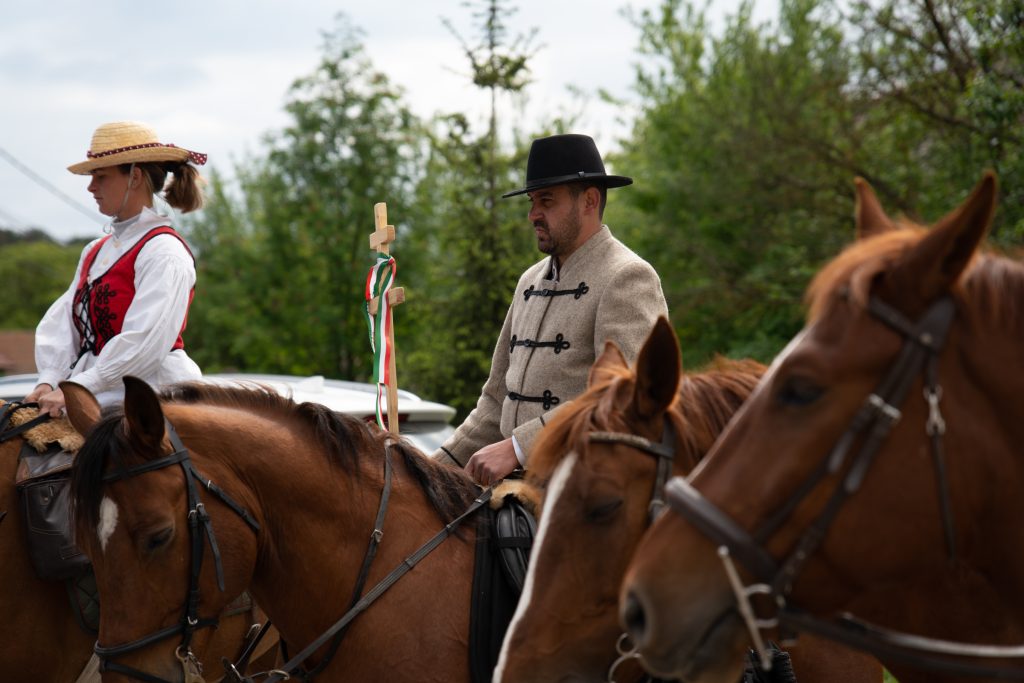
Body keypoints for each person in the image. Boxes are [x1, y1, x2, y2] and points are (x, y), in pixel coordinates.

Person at [433, 133, 669, 484]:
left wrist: (518, 446)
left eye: (546, 201)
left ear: (589, 200)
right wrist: (428, 469)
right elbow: (496, 401)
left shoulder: (628, 276)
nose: (532, 215)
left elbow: (625, 399)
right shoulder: (529, 282)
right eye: (531, 201)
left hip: (582, 499)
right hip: (515, 493)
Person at [25, 120, 207, 416]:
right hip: (97, 394)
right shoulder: (95, 251)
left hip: (152, 401)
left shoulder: (165, 251)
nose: (91, 187)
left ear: (134, 177)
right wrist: (49, 380)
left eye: (101, 176)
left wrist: (80, 387)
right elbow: (63, 321)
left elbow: (145, 340)